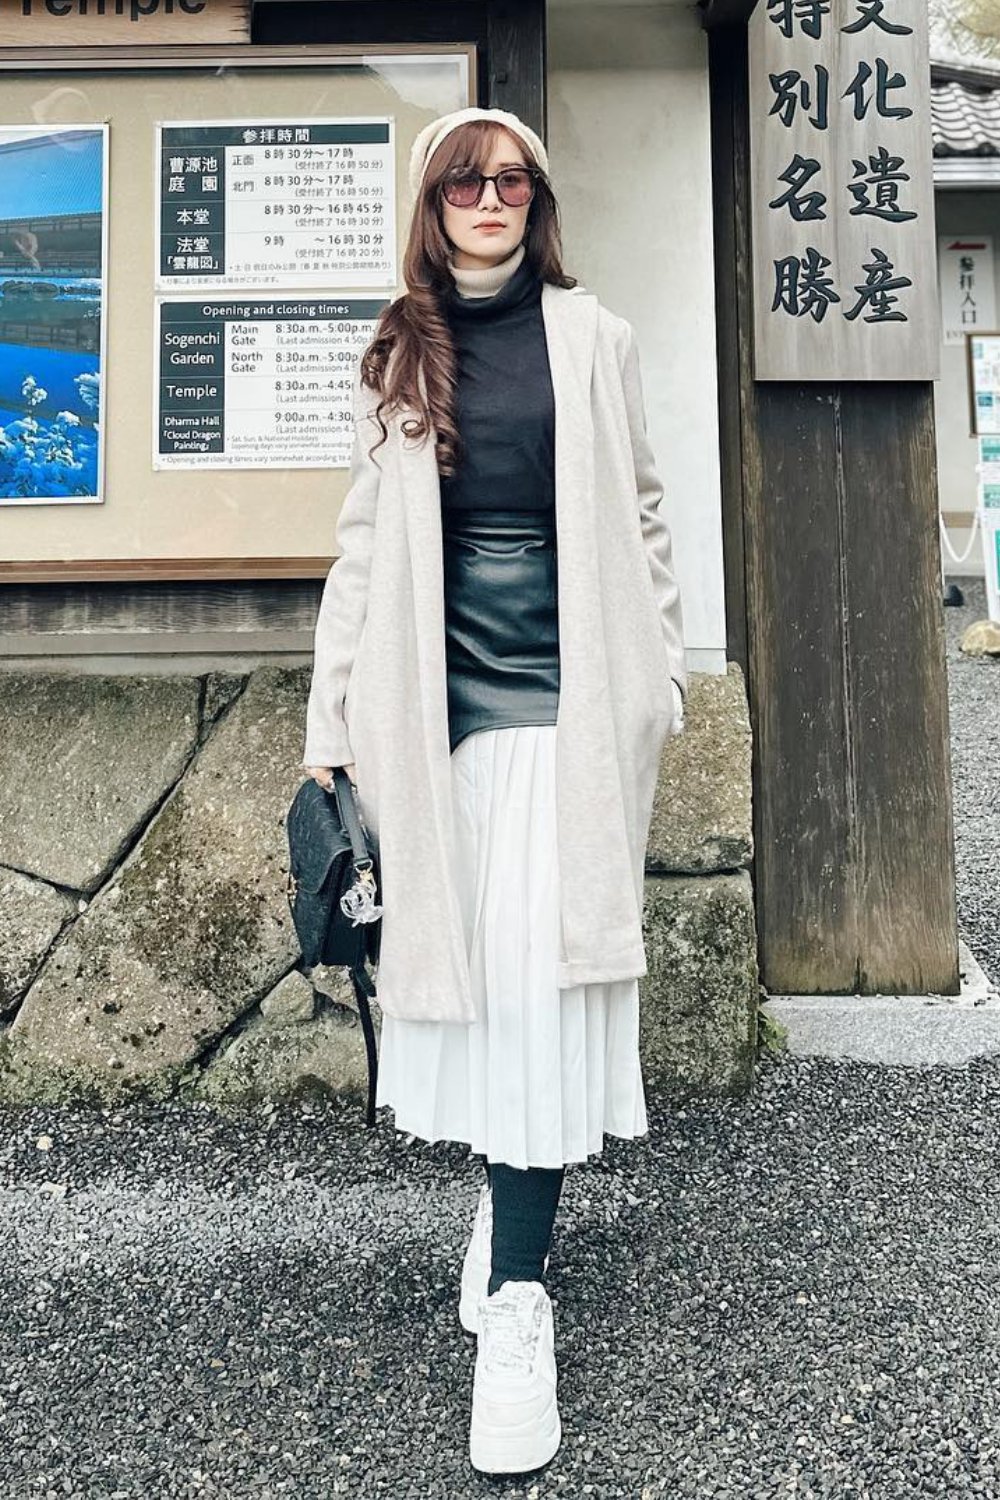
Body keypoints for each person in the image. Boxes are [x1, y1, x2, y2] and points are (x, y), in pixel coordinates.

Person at [302, 104, 686, 1477]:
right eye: (465, 178)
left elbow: (642, 512)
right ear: (433, 201)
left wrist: (661, 674)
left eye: (510, 178)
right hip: (435, 727)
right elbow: (362, 553)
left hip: (569, 720)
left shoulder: (596, 340)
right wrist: (328, 725)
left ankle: (518, 1297)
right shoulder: (401, 348)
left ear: (537, 199)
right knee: (479, 997)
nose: (489, 196)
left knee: (541, 987)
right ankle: (508, 1217)